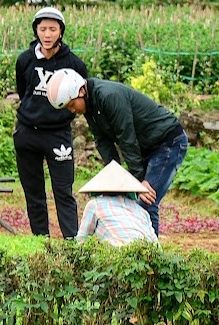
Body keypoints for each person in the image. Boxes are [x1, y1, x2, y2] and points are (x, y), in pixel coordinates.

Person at [42, 68, 190, 235]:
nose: (72, 110)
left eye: (71, 104)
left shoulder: (108, 96)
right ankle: (130, 249)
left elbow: (126, 136)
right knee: (128, 200)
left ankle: (151, 255)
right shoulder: (90, 106)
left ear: (81, 90)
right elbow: (103, 142)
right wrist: (116, 176)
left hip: (168, 142)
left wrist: (139, 181)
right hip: (146, 147)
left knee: (146, 200)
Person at [9, 5, 90, 238]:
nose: (47, 34)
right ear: (36, 31)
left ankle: (71, 244)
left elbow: (80, 98)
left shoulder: (74, 64)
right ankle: (40, 242)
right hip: (27, 133)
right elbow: (23, 91)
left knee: (63, 191)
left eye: (52, 29)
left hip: (58, 134)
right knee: (33, 192)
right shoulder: (25, 60)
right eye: (42, 29)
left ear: (61, 32)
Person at [75, 162, 160, 247]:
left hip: (120, 254)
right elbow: (156, 246)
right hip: (148, 254)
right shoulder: (142, 211)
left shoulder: (95, 205)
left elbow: (82, 240)